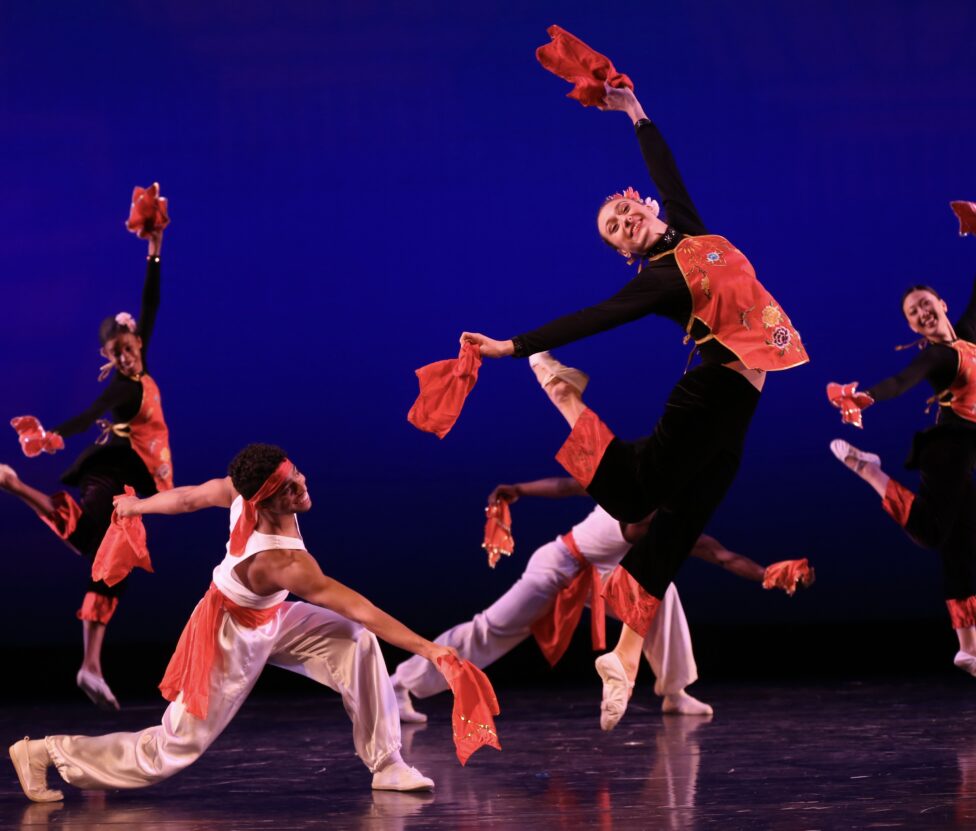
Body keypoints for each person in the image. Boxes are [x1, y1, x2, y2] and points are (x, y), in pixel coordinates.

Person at [459, 81, 808, 713]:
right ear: (624, 250)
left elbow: (668, 173)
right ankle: (554, 387)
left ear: (645, 207)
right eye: (614, 229)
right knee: (631, 492)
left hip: (737, 413)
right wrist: (513, 346)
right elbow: (593, 317)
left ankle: (622, 655)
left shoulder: (696, 238)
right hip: (709, 394)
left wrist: (635, 113)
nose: (624, 221)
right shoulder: (655, 279)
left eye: (624, 209)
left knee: (674, 531)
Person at [9, 444, 454, 802]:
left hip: (273, 616)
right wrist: (429, 649)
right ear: (263, 500)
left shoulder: (241, 492)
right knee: (173, 747)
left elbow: (186, 498)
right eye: (288, 487)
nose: (301, 484)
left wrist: (137, 505)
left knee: (354, 642)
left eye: (295, 472)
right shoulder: (282, 561)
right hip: (230, 633)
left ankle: (387, 763)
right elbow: (360, 607)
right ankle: (45, 752)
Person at [392, 474, 813, 730]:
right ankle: (400, 685)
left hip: (606, 577)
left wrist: (766, 573)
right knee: (492, 627)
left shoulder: (671, 521)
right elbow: (570, 484)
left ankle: (675, 691)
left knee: (661, 593)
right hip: (560, 564)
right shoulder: (635, 496)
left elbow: (721, 554)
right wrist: (519, 489)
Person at [1, 214, 171, 710]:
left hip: (129, 486)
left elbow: (151, 302)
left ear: (138, 343)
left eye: (129, 347)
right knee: (98, 549)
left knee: (110, 566)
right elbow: (91, 412)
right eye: (115, 352)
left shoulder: (142, 362)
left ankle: (91, 666)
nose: (125, 357)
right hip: (110, 477)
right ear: (108, 354)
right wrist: (54, 434)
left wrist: (155, 247)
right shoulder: (121, 387)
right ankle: (17, 487)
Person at [829, 219, 976, 676]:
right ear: (912, 325)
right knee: (933, 533)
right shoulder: (936, 354)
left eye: (926, 304)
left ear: (942, 303)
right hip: (951, 448)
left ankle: (968, 646)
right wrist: (867, 396)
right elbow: (901, 380)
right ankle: (873, 472)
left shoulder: (968, 331)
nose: (922, 314)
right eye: (914, 313)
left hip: (969, 450)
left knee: (960, 543)